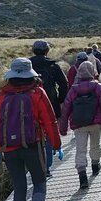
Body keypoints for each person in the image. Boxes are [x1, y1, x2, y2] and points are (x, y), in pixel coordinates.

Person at [0, 58, 62, 201]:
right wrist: (56, 144)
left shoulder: (0, 96)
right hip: (33, 145)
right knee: (39, 181)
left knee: (19, 187)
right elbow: (50, 121)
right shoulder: (37, 93)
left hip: (9, 149)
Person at [59, 61, 101, 189]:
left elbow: (66, 110)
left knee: (80, 150)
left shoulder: (73, 89)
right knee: (95, 145)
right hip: (96, 123)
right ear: (92, 72)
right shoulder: (98, 87)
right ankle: (95, 165)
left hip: (79, 125)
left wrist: (62, 129)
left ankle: (82, 176)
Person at [30, 40, 68, 178]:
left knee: (33, 133)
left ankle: (34, 165)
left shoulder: (27, 65)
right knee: (47, 131)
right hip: (50, 103)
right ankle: (46, 166)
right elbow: (64, 84)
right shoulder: (53, 65)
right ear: (47, 51)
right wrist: (60, 100)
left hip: (28, 106)